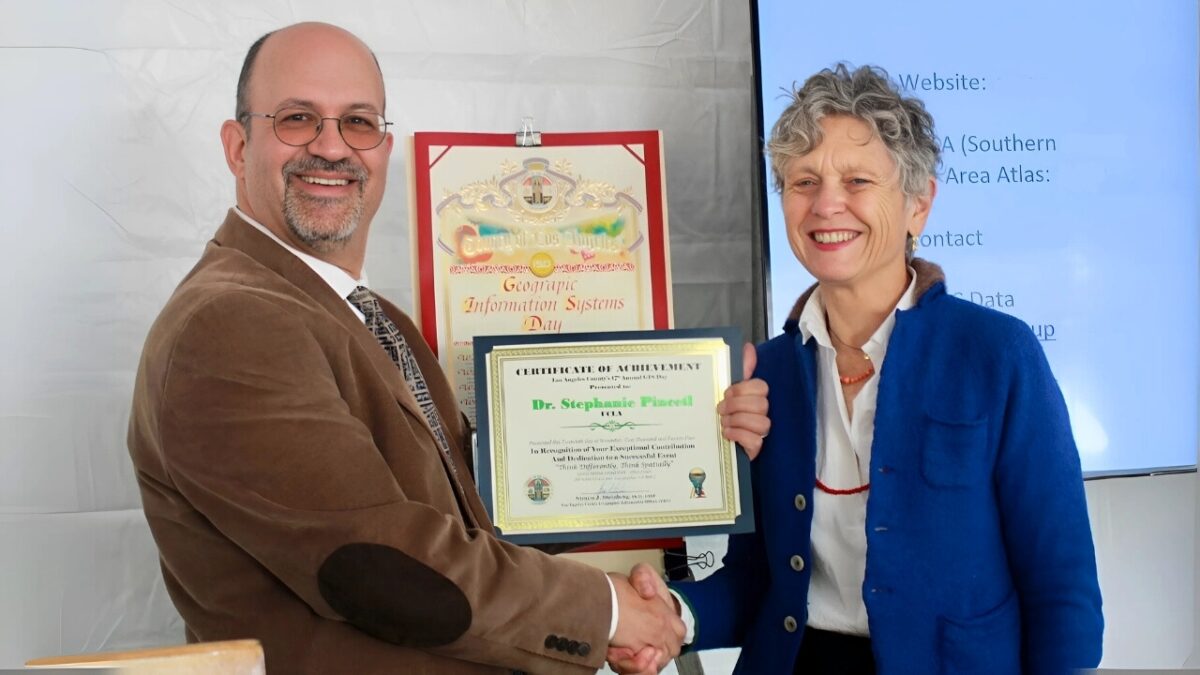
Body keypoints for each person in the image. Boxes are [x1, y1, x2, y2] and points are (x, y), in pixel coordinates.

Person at [127, 22, 769, 674]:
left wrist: (691, 426)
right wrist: (606, 611)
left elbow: (494, 503)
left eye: (358, 121)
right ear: (238, 146)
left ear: (383, 147)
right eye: (296, 118)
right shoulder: (231, 324)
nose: (331, 147)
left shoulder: (374, 319)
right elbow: (382, 567)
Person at [609, 64, 1103, 674]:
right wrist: (671, 617)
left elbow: (1062, 588)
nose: (826, 204)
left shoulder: (998, 355)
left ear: (919, 202)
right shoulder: (763, 376)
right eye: (803, 180)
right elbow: (754, 582)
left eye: (858, 179)